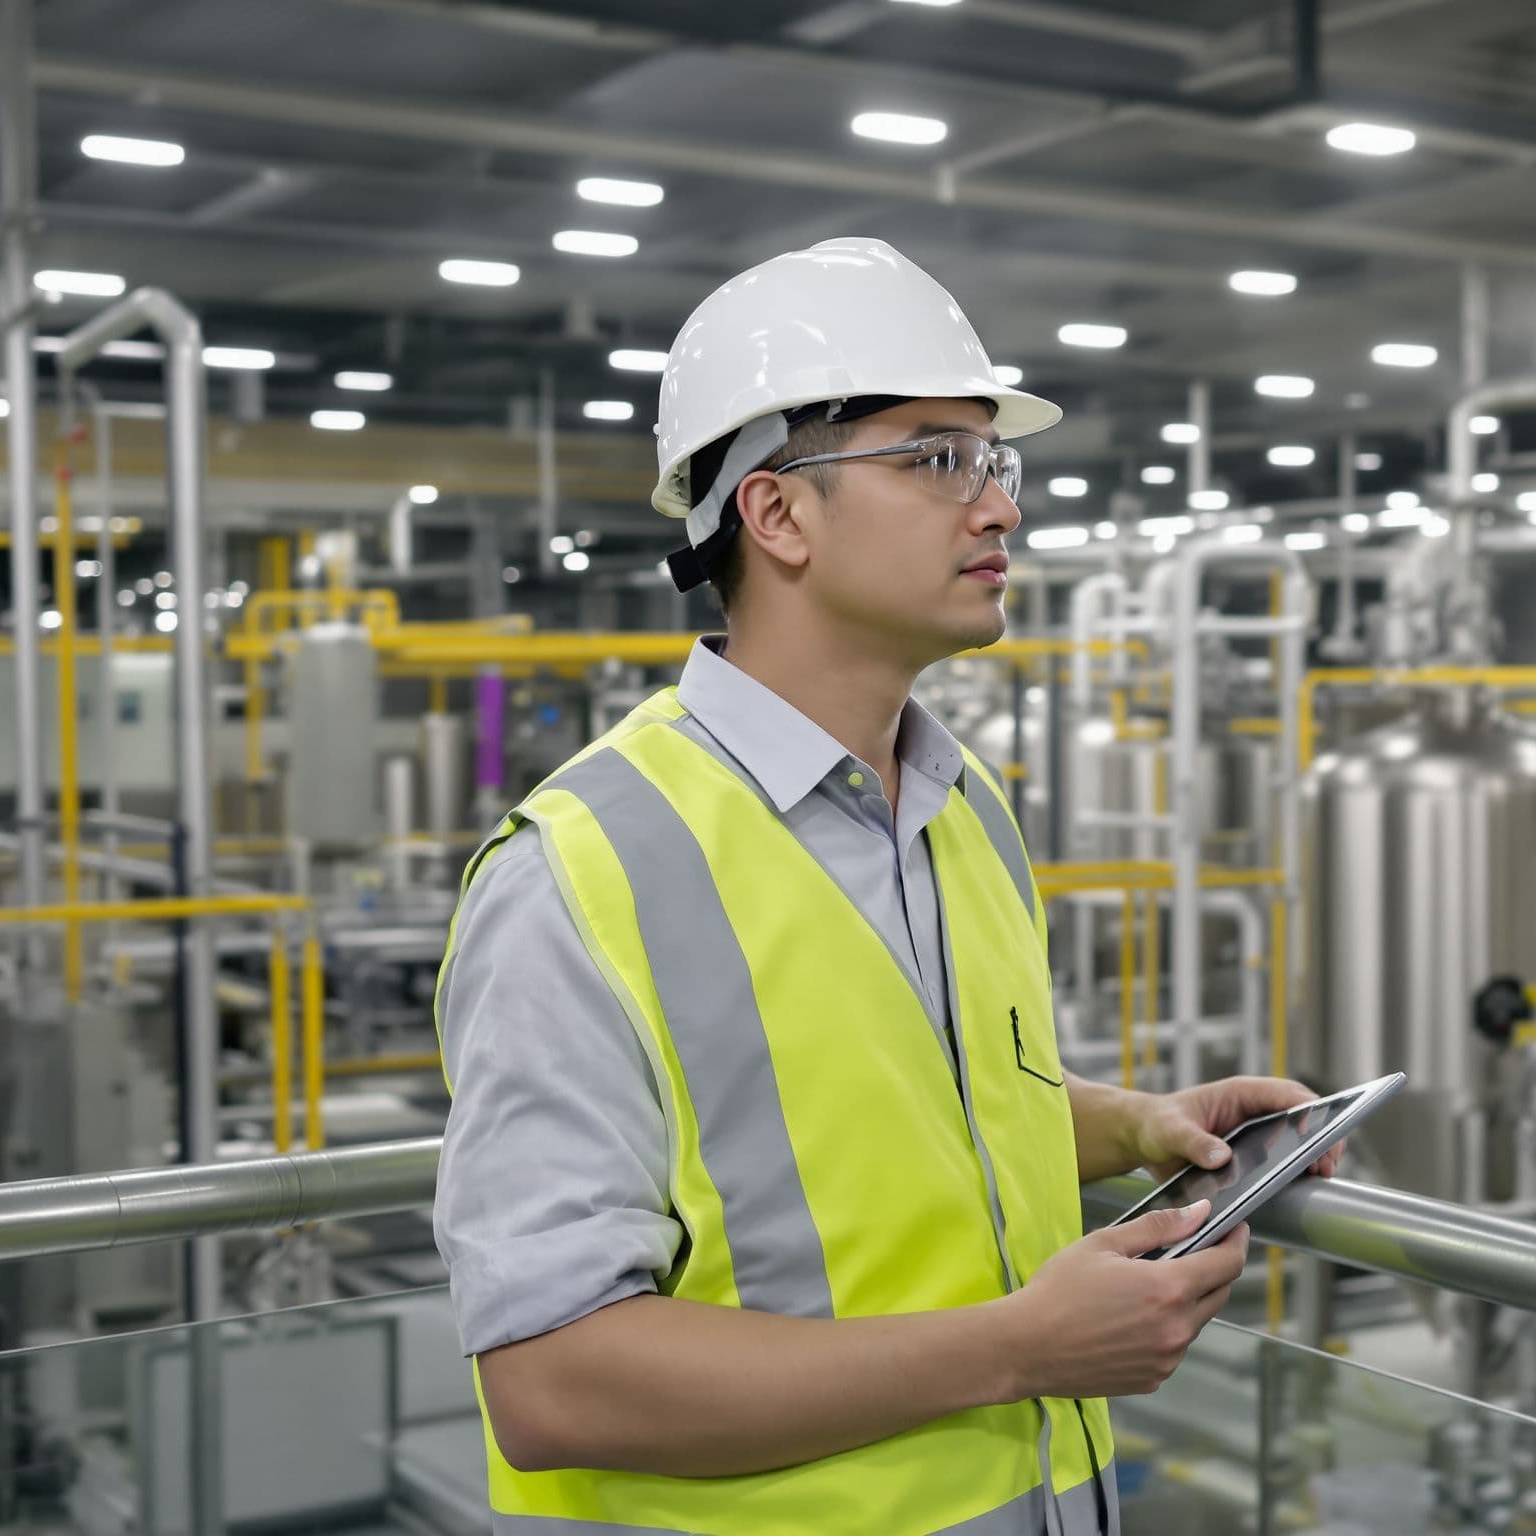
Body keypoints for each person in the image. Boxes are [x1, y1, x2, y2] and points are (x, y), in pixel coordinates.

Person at [431, 236, 1335, 1535]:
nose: (1002, 508)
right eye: (935, 460)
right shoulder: (582, 868)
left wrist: (1138, 1125)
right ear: (777, 511)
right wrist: (1021, 1349)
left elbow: (897, 1121)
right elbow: (552, 1380)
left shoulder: (963, 808)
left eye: (996, 461)